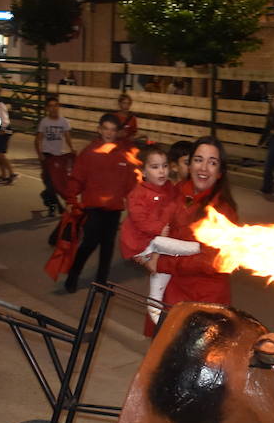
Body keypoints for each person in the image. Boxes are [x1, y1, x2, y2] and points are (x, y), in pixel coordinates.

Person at [147, 137, 239, 333]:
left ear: (220, 171)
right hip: (171, 296)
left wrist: (162, 262)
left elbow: (211, 260)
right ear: (190, 165)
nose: (203, 168)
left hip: (203, 302)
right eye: (198, 160)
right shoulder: (176, 193)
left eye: (212, 162)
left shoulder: (223, 211)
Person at [120, 144, 202, 326]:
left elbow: (178, 205)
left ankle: (159, 320)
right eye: (155, 167)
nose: (161, 171)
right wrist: (159, 228)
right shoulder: (138, 193)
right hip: (143, 243)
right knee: (162, 244)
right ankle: (199, 248)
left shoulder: (170, 188)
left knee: (158, 285)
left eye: (164, 166)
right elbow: (139, 219)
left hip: (158, 246)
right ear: (143, 171)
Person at [63, 113, 138, 293]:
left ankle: (101, 282)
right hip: (93, 207)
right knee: (90, 242)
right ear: (99, 130)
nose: (109, 133)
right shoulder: (89, 153)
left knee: (108, 245)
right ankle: (73, 275)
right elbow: (77, 178)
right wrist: (71, 199)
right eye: (105, 129)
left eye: (113, 130)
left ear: (117, 132)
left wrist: (136, 206)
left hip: (114, 209)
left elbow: (131, 184)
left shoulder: (124, 155)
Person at [34, 95, 74, 217]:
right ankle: (56, 207)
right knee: (50, 183)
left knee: (56, 183)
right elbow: (38, 140)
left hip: (58, 157)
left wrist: (72, 149)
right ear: (47, 108)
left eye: (55, 105)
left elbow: (67, 137)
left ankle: (46, 195)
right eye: (50, 106)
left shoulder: (64, 122)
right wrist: (40, 154)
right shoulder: (44, 122)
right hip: (47, 156)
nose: (53, 108)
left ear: (58, 107)